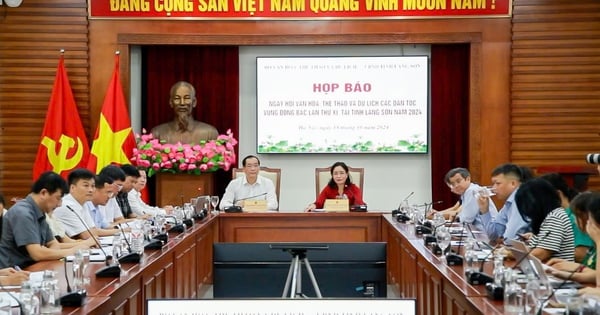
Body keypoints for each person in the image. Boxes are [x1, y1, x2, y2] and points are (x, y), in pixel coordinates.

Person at [0, 171, 90, 269]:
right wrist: (72, 251)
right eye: (58, 198)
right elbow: (37, 254)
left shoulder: (40, 211)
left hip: (35, 267)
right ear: (43, 193)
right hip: (14, 273)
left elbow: (54, 244)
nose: (59, 204)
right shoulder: (22, 212)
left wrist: (46, 251)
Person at [514, 177, 574, 262]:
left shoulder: (555, 217)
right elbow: (532, 248)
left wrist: (511, 254)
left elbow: (541, 253)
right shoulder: (547, 218)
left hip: (557, 272)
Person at [540, 173, 592, 263]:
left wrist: (551, 249)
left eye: (541, 198)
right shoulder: (554, 216)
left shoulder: (575, 217)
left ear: (558, 194)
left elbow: (582, 254)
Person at [53, 168, 120, 239]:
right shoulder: (68, 206)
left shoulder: (83, 203)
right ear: (72, 188)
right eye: (86, 186)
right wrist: (121, 231)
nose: (91, 190)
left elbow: (93, 229)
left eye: (93, 186)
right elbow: (87, 235)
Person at [547, 192, 597, 284]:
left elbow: (596, 276)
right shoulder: (594, 246)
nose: (574, 220)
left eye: (576, 216)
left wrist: (567, 274)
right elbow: (588, 269)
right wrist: (572, 266)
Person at [151, 81, 219, 144]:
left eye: (186, 98)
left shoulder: (210, 133)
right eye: (177, 98)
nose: (182, 103)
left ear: (194, 102)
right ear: (171, 102)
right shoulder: (157, 133)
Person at [479, 163, 532, 244]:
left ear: (513, 183)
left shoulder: (521, 199)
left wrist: (502, 244)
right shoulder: (509, 203)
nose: (494, 188)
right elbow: (494, 235)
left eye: (498, 183)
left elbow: (510, 239)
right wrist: (484, 210)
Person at [431, 167, 498, 230]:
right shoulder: (466, 193)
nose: (456, 186)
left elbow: (467, 219)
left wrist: (455, 218)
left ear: (468, 179)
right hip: (480, 230)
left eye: (458, 181)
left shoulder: (472, 191)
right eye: (453, 184)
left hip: (487, 231)